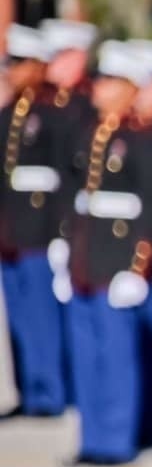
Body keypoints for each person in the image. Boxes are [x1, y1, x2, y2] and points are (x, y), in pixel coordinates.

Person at [60, 41, 152, 464]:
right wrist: (64, 251)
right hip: (87, 257)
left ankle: (116, 440)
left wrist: (137, 266)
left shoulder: (139, 140)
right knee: (87, 353)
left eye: (110, 81)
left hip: (118, 257)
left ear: (129, 88)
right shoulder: (90, 133)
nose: (100, 88)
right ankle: (92, 437)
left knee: (116, 353)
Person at [0, 24, 67, 418]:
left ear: (40, 66)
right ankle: (27, 388)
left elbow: (65, 177)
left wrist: (62, 232)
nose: (13, 70)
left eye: (22, 63)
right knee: (19, 318)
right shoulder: (8, 114)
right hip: (12, 232)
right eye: (11, 63)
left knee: (43, 318)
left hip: (41, 232)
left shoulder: (53, 116)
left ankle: (49, 392)